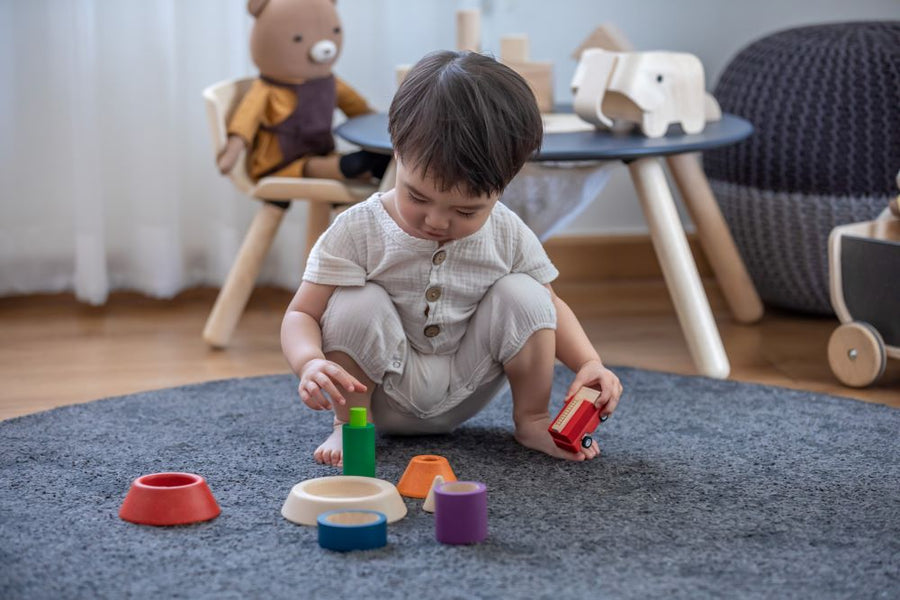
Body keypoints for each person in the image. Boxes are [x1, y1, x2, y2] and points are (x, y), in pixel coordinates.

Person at [281, 50, 623, 466]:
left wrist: (590, 363)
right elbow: (301, 314)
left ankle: (532, 419)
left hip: (466, 386)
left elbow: (549, 308)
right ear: (397, 150)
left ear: (504, 186)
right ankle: (350, 427)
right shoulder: (358, 229)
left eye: (466, 211)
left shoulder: (507, 231)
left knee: (526, 293)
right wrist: (309, 362)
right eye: (417, 197)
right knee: (354, 300)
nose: (437, 221)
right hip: (378, 393)